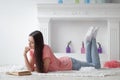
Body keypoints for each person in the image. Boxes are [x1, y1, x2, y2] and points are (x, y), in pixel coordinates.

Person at [23, 27, 101, 73]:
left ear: (38, 42)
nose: (29, 45)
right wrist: (24, 55)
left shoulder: (45, 48)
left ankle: (92, 39)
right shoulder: (32, 51)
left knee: (96, 66)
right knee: (90, 63)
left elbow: (45, 70)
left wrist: (35, 68)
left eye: (32, 42)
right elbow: (30, 69)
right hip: (66, 62)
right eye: (29, 41)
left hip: (70, 64)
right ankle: (89, 40)